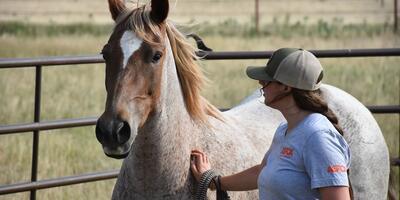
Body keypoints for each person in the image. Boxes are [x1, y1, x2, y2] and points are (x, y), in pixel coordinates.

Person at [190, 48, 352, 200]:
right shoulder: (285, 129)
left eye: (267, 80)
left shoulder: (318, 137)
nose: (260, 82)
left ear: (286, 87)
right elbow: (262, 172)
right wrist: (214, 181)